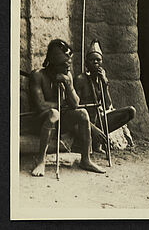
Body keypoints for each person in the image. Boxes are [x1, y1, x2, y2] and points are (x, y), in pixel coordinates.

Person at [28, 39, 105, 176]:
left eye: (69, 64)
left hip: (60, 120)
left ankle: (85, 159)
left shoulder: (67, 75)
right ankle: (41, 161)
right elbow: (41, 106)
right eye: (64, 65)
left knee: (82, 113)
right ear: (53, 64)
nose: (68, 68)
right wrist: (62, 105)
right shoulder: (38, 75)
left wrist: (68, 84)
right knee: (53, 113)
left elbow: (75, 104)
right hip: (40, 121)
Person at [74, 40, 136, 152]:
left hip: (98, 120)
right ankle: (91, 140)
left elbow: (107, 105)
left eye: (98, 60)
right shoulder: (80, 79)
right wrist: (93, 128)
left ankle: (97, 140)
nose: (95, 62)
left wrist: (105, 84)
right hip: (82, 122)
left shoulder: (101, 79)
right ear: (86, 63)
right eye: (92, 60)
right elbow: (75, 109)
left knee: (130, 111)